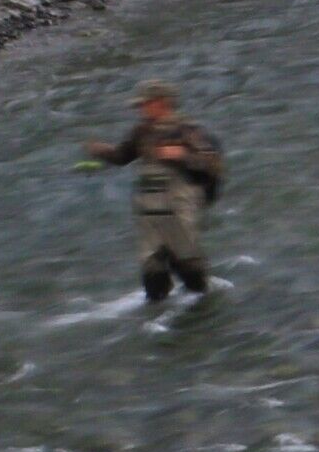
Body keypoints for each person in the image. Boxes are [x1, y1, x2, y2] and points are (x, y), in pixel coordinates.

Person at [86, 85, 223, 306]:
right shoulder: (141, 131)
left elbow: (212, 164)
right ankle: (157, 312)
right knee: (152, 268)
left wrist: (183, 155)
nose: (140, 109)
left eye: (144, 104)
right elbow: (122, 156)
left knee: (187, 262)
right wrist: (99, 150)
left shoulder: (188, 130)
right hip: (149, 207)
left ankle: (203, 306)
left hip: (178, 205)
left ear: (161, 102)